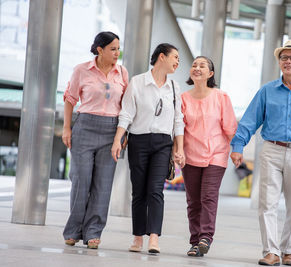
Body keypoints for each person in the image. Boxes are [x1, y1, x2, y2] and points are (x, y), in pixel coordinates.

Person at [230, 40, 291, 266]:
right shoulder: (267, 91)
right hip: (271, 150)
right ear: (279, 62)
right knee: (268, 203)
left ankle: (288, 251)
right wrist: (238, 147)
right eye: (284, 58)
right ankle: (271, 252)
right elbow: (249, 120)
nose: (288, 61)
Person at [111, 43, 184, 254]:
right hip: (138, 141)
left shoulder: (174, 87)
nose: (177, 62)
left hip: (163, 144)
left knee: (156, 191)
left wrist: (179, 149)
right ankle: (137, 238)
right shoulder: (138, 82)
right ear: (162, 57)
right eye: (175, 58)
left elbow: (178, 120)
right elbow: (126, 114)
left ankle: (154, 238)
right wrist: (118, 140)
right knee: (139, 192)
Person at [62, 31, 129, 249]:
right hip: (85, 127)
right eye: (113, 49)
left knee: (103, 184)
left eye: (118, 48)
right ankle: (73, 230)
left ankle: (93, 232)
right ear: (99, 50)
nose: (117, 53)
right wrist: (66, 128)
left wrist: (122, 134)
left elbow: (127, 107)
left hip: (112, 131)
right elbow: (70, 99)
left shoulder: (122, 72)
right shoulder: (81, 70)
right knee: (81, 180)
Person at [181, 56, 237, 257]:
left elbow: (230, 126)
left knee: (208, 196)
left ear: (210, 74)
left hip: (216, 155)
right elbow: (179, 128)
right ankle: (195, 241)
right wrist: (176, 151)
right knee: (193, 201)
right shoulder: (183, 98)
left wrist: (237, 150)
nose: (197, 68)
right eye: (194, 65)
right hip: (190, 156)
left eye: (202, 65)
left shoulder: (221, 97)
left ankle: (205, 237)